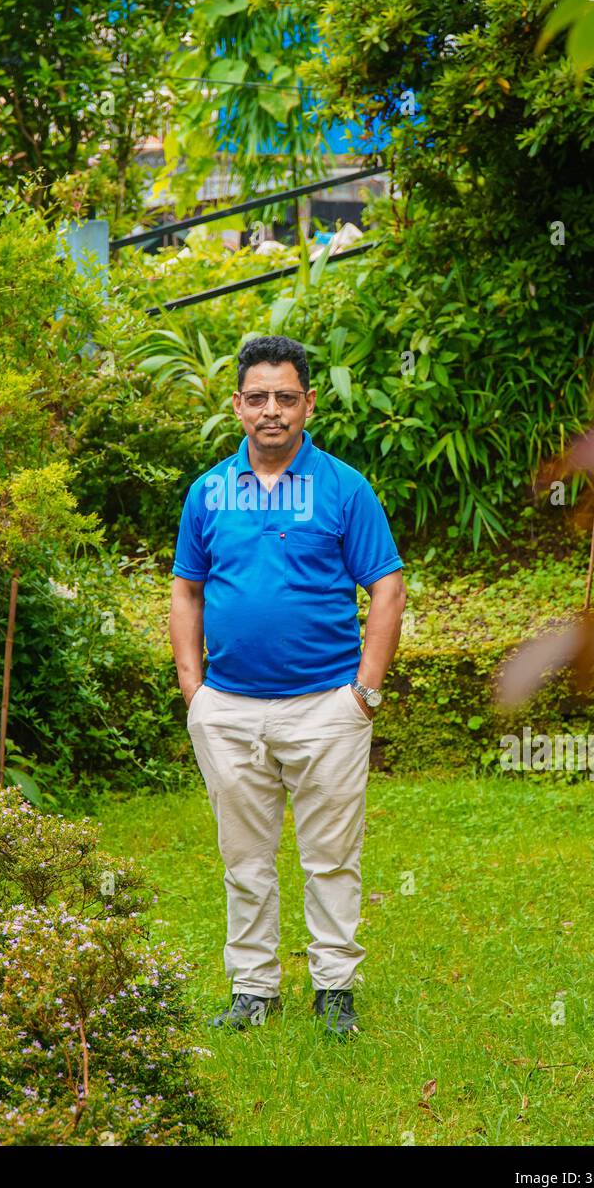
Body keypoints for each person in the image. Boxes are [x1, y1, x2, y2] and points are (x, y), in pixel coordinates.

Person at [169, 335, 406, 1036]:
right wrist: (195, 693)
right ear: (237, 405)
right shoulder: (208, 492)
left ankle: (334, 987)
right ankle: (254, 991)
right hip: (230, 709)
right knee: (244, 859)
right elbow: (187, 590)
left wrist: (364, 693)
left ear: (307, 403)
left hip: (326, 706)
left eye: (285, 397)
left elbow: (387, 589)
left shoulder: (344, 487)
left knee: (332, 856)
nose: (271, 410)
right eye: (257, 397)